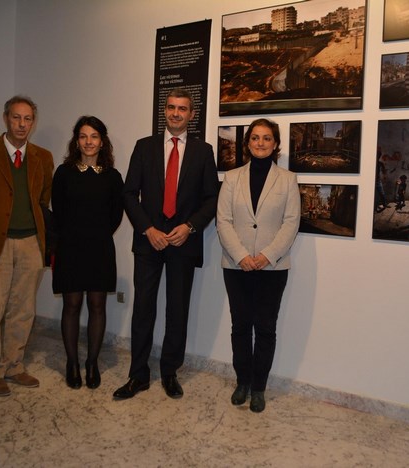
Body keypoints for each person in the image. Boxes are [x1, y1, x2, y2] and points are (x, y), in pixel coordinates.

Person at [114, 88, 219, 400]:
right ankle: (138, 375)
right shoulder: (144, 147)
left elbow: (212, 197)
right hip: (150, 242)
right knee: (144, 308)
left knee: (177, 309)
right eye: (171, 107)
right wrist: (147, 228)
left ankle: (170, 371)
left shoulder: (204, 151)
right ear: (165, 111)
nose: (176, 113)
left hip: (182, 243)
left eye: (182, 109)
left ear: (191, 114)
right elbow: (129, 193)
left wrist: (190, 227)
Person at [0, 96, 54, 397]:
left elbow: (43, 200)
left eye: (28, 118)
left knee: (23, 309)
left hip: (31, 241)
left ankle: (15, 365)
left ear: (33, 122)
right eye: (16, 117)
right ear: (5, 118)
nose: (22, 124)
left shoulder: (43, 156)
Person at [216, 118, 300, 413]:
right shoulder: (232, 178)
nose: (260, 143)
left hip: (272, 268)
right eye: (255, 138)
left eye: (267, 138)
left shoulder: (288, 180)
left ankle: (259, 388)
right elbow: (223, 220)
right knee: (240, 325)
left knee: (265, 327)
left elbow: (291, 223)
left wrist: (267, 255)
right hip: (236, 266)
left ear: (276, 144)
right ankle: (242, 382)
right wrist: (241, 255)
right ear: (247, 143)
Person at [52, 116, 124, 389]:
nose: (89, 141)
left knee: (97, 305)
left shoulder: (113, 176)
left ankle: (92, 362)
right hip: (70, 247)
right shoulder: (64, 172)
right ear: (76, 141)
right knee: (71, 306)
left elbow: (116, 215)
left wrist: (98, 233)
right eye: (83, 136)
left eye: (94, 136)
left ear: (102, 141)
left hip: (100, 249)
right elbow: (57, 210)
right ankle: (72, 362)